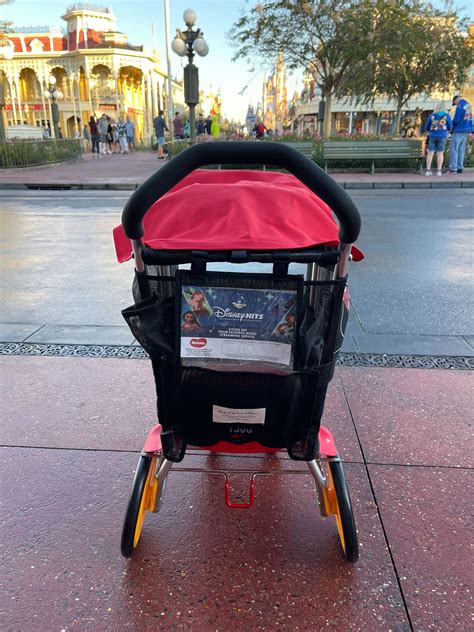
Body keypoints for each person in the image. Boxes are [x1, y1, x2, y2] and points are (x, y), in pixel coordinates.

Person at [424, 102, 452, 176]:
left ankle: (427, 171)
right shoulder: (447, 116)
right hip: (443, 136)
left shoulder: (432, 116)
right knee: (440, 153)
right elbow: (450, 126)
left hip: (433, 136)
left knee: (430, 153)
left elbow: (427, 126)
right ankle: (439, 171)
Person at [448, 95, 472, 174]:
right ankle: (460, 167)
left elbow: (456, 120)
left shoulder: (459, 107)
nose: (455, 105)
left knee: (454, 149)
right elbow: (470, 118)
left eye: (454, 103)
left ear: (456, 100)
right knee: (461, 150)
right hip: (466, 130)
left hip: (458, 129)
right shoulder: (468, 105)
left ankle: (453, 168)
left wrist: (451, 123)